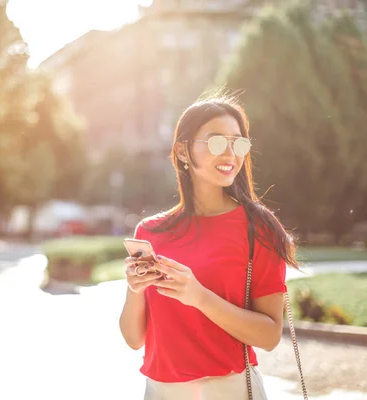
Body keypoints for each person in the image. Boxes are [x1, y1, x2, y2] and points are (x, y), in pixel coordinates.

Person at [119, 98, 299, 400]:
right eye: (217, 142)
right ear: (182, 150)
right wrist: (135, 289)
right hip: (160, 392)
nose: (230, 153)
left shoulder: (260, 228)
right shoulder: (150, 232)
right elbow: (134, 339)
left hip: (230, 390)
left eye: (238, 143)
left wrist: (200, 297)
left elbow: (270, 335)